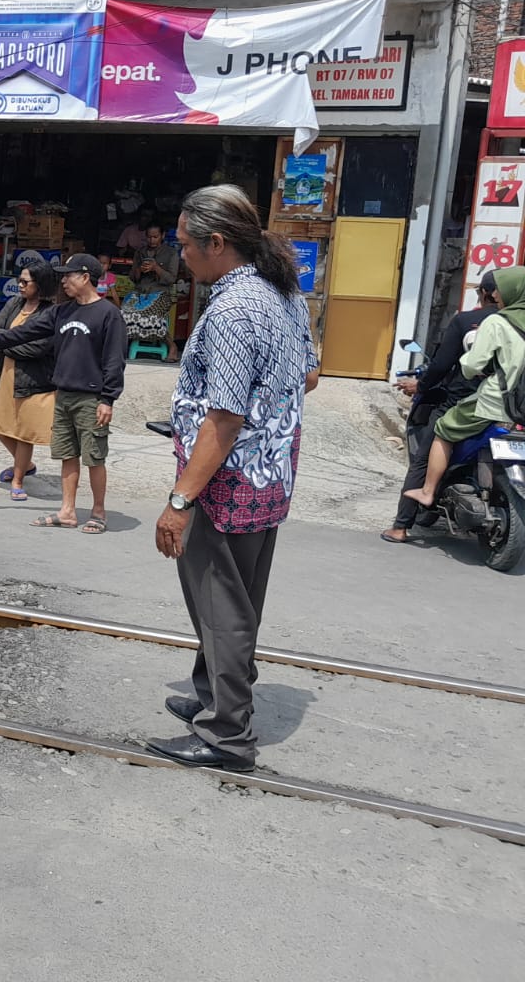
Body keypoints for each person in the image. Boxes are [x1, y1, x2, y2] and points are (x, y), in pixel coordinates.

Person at [148, 184, 319, 772]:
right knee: (236, 601)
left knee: (220, 607)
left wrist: (179, 499)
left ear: (217, 243)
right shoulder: (283, 295)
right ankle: (208, 694)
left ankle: (226, 736)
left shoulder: (232, 308)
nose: (182, 256)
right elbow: (309, 376)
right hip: (268, 476)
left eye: (186, 245)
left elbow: (224, 417)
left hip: (223, 484)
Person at [0, 253, 126, 533]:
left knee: (94, 457)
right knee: (67, 455)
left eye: (68, 275)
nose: (63, 280)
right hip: (63, 394)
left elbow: (114, 360)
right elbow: (24, 332)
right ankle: (67, 511)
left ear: (85, 277)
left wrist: (108, 399)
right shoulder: (61, 311)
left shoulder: (108, 314)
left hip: (91, 398)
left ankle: (98, 512)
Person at [382, 272, 500, 544]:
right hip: (509, 407)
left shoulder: (467, 321)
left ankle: (401, 526)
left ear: (484, 293)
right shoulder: (515, 322)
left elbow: (441, 365)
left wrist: (422, 386)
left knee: (423, 458)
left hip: (462, 402)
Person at [403, 266, 525, 509]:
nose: (496, 297)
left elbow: (472, 366)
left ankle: (427, 491)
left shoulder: (496, 322)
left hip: (496, 402)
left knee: (443, 427)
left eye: (500, 291)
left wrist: (470, 363)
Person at [0, 262, 59, 501]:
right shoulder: (14, 303)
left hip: (32, 379)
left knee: (24, 432)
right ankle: (24, 464)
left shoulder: (50, 312)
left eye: (26, 282)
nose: (20, 285)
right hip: (6, 374)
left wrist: (6, 345)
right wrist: (7, 342)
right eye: (20, 280)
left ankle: (18, 479)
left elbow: (38, 348)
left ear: (41, 285)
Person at [123, 223, 183, 360]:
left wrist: (156, 268)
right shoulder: (140, 252)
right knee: (124, 312)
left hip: (161, 294)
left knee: (150, 314)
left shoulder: (171, 253)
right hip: (140, 293)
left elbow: (171, 279)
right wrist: (139, 269)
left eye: (155, 237)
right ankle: (122, 347)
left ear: (162, 236)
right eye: (149, 237)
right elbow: (133, 278)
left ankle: (171, 346)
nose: (152, 240)